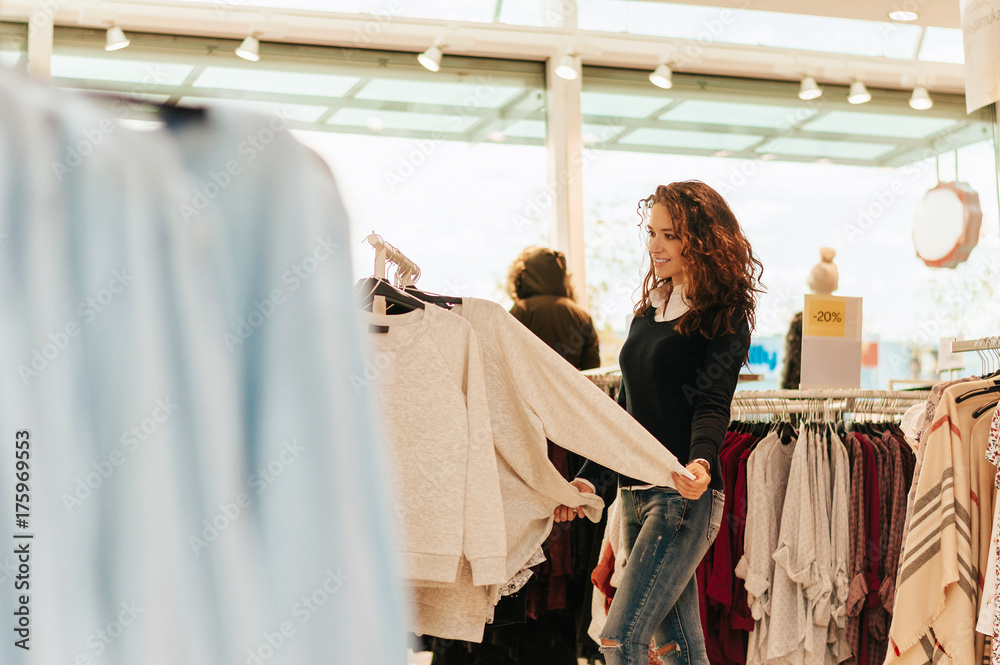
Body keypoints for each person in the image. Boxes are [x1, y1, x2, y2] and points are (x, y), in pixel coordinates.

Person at [554, 181, 763, 665]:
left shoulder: (723, 315)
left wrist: (703, 461)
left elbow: (713, 402)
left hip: (680, 494)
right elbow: (626, 414)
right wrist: (591, 479)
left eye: (670, 235)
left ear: (703, 240)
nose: (655, 246)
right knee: (678, 648)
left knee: (618, 638)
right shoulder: (648, 313)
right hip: (632, 495)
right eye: (652, 233)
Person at [507, 246, 601, 370]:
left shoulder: (521, 311)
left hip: (531, 387)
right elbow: (592, 369)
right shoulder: (582, 316)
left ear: (523, 275)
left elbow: (508, 359)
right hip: (571, 388)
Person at [780, 247, 839, 389]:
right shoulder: (842, 319)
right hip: (834, 397)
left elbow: (792, 364)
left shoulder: (801, 320)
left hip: (801, 398)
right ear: (834, 285)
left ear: (811, 283)